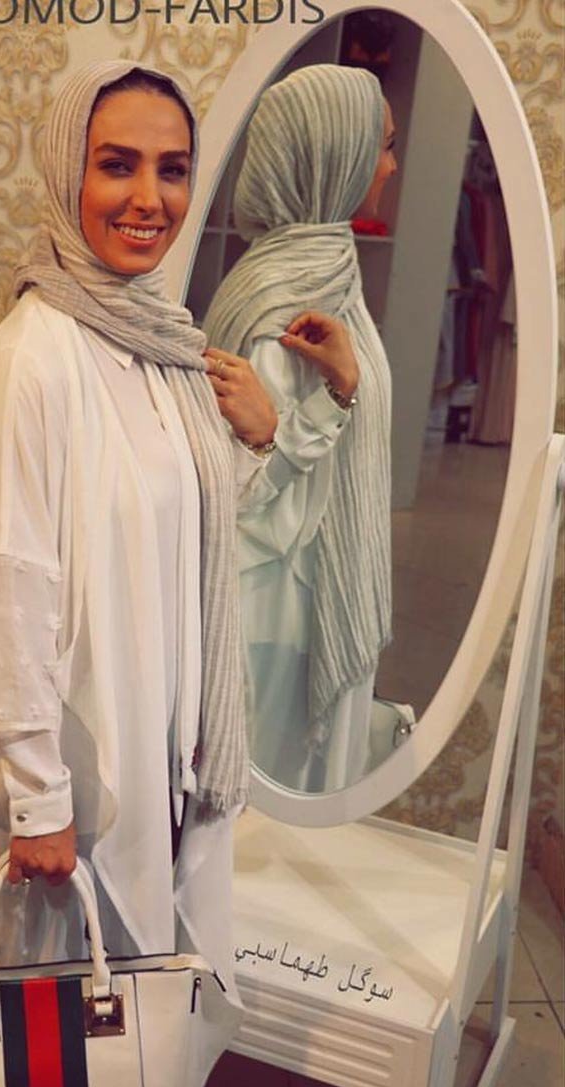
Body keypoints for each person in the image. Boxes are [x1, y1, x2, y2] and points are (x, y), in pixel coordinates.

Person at [0, 60, 279, 1087]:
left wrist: (253, 442)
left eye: (171, 168)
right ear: (64, 171)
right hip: (69, 727)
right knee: (23, 957)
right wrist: (37, 787)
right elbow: (8, 584)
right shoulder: (33, 355)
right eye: (116, 163)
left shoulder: (163, 344)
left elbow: (179, 540)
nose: (149, 197)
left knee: (122, 955)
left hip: (159, 718)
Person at [204, 64, 398, 793]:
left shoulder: (324, 272)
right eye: (382, 145)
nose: (391, 166)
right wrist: (336, 397)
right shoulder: (282, 300)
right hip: (274, 606)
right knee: (263, 801)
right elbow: (245, 496)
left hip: (298, 593)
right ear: (332, 154)